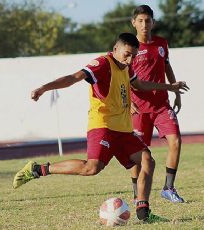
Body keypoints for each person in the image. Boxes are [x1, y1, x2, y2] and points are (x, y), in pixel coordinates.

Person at [12, 33, 188, 221]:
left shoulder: (126, 68)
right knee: (92, 168)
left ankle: (144, 213)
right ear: (115, 50)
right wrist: (43, 88)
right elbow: (73, 77)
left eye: (133, 56)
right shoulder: (103, 64)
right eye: (126, 54)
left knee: (147, 160)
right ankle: (37, 169)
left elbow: (140, 84)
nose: (130, 60)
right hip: (102, 126)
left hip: (123, 130)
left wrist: (170, 87)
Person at [129, 5, 190, 203]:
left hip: (162, 106)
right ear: (134, 23)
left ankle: (168, 188)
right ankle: (136, 194)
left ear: (153, 22)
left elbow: (166, 65)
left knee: (176, 141)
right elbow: (120, 77)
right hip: (139, 108)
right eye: (140, 20)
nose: (144, 24)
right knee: (138, 155)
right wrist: (127, 102)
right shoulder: (129, 47)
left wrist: (175, 91)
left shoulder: (162, 43)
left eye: (148, 20)